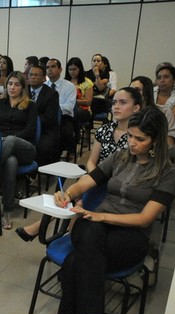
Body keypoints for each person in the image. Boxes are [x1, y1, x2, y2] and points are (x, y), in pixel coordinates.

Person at [44, 107, 175, 314]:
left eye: (140, 139)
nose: (131, 143)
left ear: (156, 140)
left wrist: (101, 216)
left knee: (76, 261)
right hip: (95, 228)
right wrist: (69, 194)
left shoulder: (169, 173)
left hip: (131, 235)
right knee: (89, 232)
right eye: (130, 136)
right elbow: (88, 181)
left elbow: (144, 219)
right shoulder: (119, 158)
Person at [16, 87, 143, 242]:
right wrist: (95, 175)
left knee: (80, 201)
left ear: (136, 108)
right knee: (76, 194)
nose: (116, 106)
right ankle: (68, 234)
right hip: (97, 177)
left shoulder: (139, 136)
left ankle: (54, 230)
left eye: (123, 103)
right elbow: (91, 160)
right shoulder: (105, 130)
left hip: (120, 184)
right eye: (114, 102)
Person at [0, 71, 37, 230]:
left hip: (25, 148)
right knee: (10, 162)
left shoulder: (30, 105)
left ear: (23, 87)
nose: (12, 87)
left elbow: (30, 130)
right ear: (5, 86)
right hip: (5, 149)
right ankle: (7, 211)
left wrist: (4, 140)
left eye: (16, 84)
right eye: (10, 84)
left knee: (11, 140)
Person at [130, 75, 175, 160]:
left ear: (147, 93)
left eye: (137, 90)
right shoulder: (127, 112)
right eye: (130, 90)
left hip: (154, 158)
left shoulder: (164, 112)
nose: (132, 94)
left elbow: (169, 146)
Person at [45, 58, 77, 159]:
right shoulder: (43, 86)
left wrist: (53, 109)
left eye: (53, 67)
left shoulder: (69, 86)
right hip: (47, 117)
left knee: (66, 132)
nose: (50, 69)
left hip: (64, 117)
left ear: (60, 69)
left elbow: (69, 106)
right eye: (47, 67)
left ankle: (62, 153)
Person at [28, 64, 60, 166]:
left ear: (43, 78)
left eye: (36, 75)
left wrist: (30, 121)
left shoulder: (51, 94)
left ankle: (35, 171)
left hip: (45, 129)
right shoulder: (22, 90)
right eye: (31, 74)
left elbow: (49, 118)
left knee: (43, 147)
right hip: (23, 126)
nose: (33, 77)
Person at [66, 57, 93, 130]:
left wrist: (73, 101)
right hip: (67, 108)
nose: (72, 72)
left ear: (80, 69)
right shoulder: (65, 82)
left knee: (75, 112)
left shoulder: (87, 82)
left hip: (83, 111)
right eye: (70, 69)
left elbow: (88, 102)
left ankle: (75, 135)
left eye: (74, 69)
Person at [154, 64, 175, 130]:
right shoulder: (150, 93)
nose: (162, 80)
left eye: (166, 77)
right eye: (159, 77)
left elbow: (168, 123)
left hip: (166, 135)